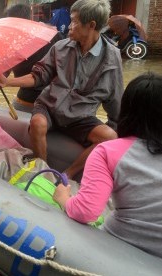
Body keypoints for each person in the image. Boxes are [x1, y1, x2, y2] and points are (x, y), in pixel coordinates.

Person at [0, 0, 123, 180]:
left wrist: (117, 129)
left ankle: (67, 175)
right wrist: (7, 82)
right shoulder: (60, 47)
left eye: (74, 22)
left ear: (91, 25)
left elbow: (114, 96)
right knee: (38, 123)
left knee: (110, 136)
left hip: (80, 116)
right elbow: (38, 76)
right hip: (50, 108)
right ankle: (43, 170)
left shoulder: (111, 57)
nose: (69, 26)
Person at [53, 72, 162, 258]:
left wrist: (63, 197)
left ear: (126, 109)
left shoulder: (107, 151)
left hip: (120, 244)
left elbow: (85, 212)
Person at [0, 3, 63, 114]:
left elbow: (5, 74)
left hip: (40, 101)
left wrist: (6, 82)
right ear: (30, 18)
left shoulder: (51, 37)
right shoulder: (52, 34)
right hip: (43, 100)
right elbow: (2, 74)